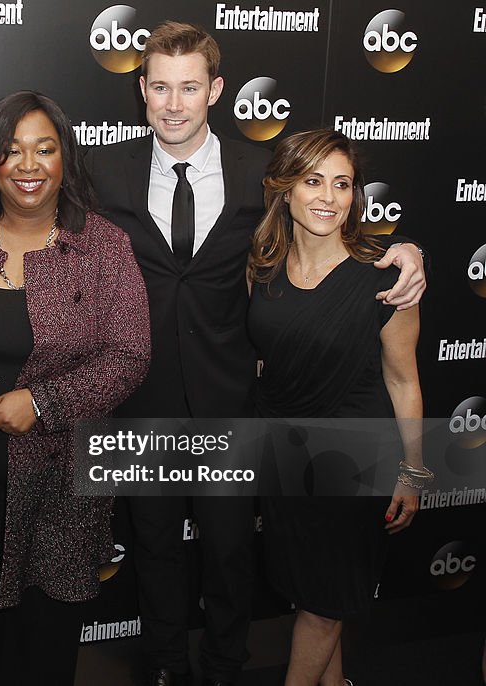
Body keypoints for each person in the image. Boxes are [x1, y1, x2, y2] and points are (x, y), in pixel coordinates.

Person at [83, 21, 427, 686]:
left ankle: (223, 669)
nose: (174, 103)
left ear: (215, 89)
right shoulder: (104, 170)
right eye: (160, 87)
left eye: (189, 87)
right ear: (142, 91)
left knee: (231, 553)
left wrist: (410, 253)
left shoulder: (261, 174)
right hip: (140, 399)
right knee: (153, 549)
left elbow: (327, 227)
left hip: (235, 401)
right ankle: (165, 667)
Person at [0, 90, 150, 686]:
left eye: (44, 150)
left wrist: (44, 403)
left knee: (41, 651)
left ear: (65, 160)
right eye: (12, 150)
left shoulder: (101, 246)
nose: (28, 165)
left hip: (56, 490)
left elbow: (130, 355)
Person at [247, 128, 428, 686]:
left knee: (324, 607)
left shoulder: (386, 280)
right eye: (313, 180)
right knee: (316, 592)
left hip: (354, 464)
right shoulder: (262, 269)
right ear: (286, 189)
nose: (328, 196)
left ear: (356, 196)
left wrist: (414, 471)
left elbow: (404, 382)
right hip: (284, 460)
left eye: (342, 184)